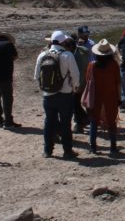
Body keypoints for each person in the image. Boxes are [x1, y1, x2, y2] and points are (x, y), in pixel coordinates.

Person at [34, 31, 81, 159]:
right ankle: (67, 151)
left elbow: (36, 76)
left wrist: (44, 89)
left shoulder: (42, 55)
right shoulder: (68, 55)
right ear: (63, 42)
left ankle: (47, 151)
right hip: (65, 94)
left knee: (49, 122)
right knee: (66, 124)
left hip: (48, 95)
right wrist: (75, 88)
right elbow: (75, 75)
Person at [85, 39, 122, 154]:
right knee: (112, 121)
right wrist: (119, 98)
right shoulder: (114, 65)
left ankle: (93, 147)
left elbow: (87, 80)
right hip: (110, 96)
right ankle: (113, 147)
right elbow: (118, 83)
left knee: (94, 121)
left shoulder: (92, 65)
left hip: (96, 97)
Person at [65, 34, 90, 134]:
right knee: (76, 104)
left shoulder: (76, 56)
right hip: (82, 82)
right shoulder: (82, 51)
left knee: (75, 104)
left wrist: (75, 87)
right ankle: (82, 122)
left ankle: (83, 121)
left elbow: (76, 72)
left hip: (78, 84)